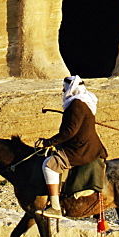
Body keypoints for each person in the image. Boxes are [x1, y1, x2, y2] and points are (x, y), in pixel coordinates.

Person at [36, 74, 107, 219]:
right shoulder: (84, 102)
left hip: (81, 148)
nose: (63, 91)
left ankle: (55, 207)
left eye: (64, 88)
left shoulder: (76, 105)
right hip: (85, 145)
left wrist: (48, 142)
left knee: (49, 165)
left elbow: (70, 131)